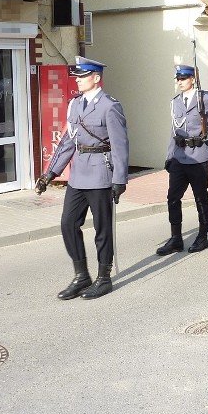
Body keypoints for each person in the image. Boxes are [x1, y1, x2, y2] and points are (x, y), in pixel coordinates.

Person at [35, 56, 129, 300]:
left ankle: (104, 277)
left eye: (83, 76)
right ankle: (81, 275)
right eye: (77, 76)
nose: (78, 80)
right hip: (78, 174)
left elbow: (120, 145)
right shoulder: (75, 105)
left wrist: (120, 179)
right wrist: (50, 173)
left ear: (96, 78)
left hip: (100, 173)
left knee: (102, 229)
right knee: (68, 223)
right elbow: (68, 141)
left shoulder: (110, 106)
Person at [156, 64, 208, 256]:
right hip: (179, 155)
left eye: (183, 79)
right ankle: (176, 238)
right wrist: (169, 155)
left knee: (200, 197)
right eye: (177, 79)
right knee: (172, 198)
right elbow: (173, 130)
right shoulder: (175, 102)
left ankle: (203, 235)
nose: (180, 82)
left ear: (193, 79)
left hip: (199, 155)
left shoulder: (206, 98)